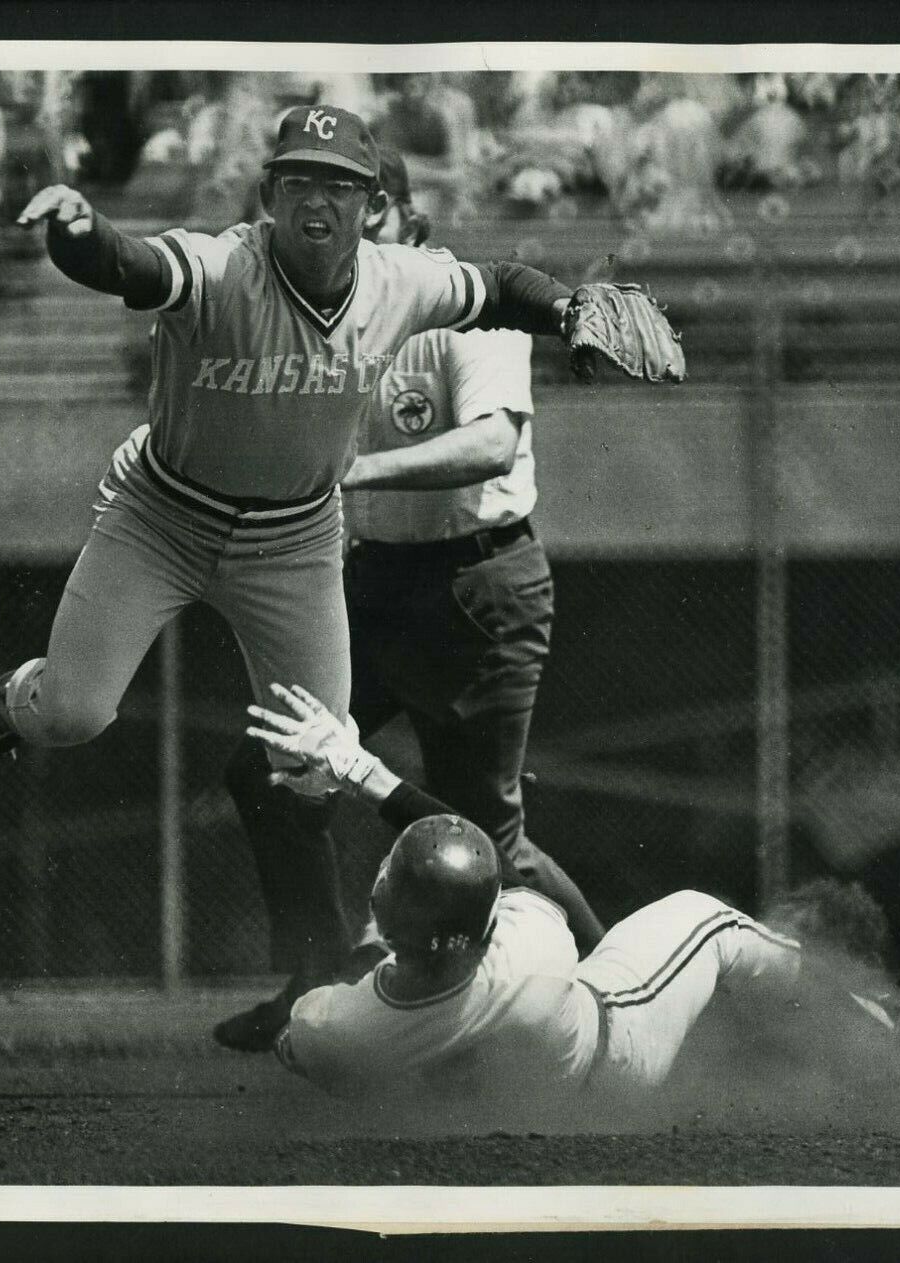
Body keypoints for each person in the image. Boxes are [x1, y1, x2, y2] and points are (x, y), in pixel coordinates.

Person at [0, 105, 633, 818]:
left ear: (375, 205)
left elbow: (502, 285)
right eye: (298, 182)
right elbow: (131, 264)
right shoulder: (226, 266)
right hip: (161, 520)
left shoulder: (399, 280)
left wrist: (568, 308)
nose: (317, 201)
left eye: (340, 185)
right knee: (73, 713)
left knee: (313, 764)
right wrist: (78, 234)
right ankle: (3, 713)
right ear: (269, 197)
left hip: (291, 544)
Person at [215, 146, 605, 1053]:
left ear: (404, 219)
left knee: (492, 844)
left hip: (479, 583)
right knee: (268, 766)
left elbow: (487, 447)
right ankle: (316, 978)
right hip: (374, 576)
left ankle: (606, 985)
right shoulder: (321, 314)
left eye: (361, 213)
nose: (345, 239)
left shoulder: (467, 303)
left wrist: (346, 469)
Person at [244, 682, 900, 1100]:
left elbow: (314, 1027)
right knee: (707, 921)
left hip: (497, 1087)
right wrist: (359, 769)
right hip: (617, 1051)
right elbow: (485, 859)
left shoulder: (340, 1034)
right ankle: (887, 1029)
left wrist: (363, 959)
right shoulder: (528, 950)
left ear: (383, 903)